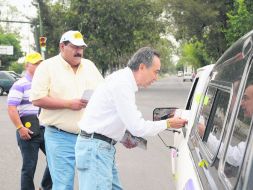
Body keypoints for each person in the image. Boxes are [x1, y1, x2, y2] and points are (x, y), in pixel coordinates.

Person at [75, 47, 187, 190]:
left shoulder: (122, 80)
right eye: (155, 72)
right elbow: (138, 127)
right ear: (142, 67)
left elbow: (109, 117)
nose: (156, 78)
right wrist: (168, 123)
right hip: (96, 149)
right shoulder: (122, 84)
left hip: (100, 148)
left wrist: (123, 136)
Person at [30, 30, 104, 190]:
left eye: (81, 47)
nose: (79, 51)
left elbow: (104, 92)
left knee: (95, 184)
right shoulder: (47, 67)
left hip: (89, 137)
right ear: (62, 46)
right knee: (63, 185)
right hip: (60, 137)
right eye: (74, 47)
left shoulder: (89, 66)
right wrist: (68, 104)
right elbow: (36, 99)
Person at [7, 52, 52, 190]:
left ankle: (46, 187)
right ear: (27, 65)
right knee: (29, 167)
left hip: (46, 129)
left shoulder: (46, 84)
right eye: (36, 63)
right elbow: (11, 108)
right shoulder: (20, 84)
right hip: (27, 130)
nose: (39, 66)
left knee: (55, 161)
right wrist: (20, 128)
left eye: (41, 63)